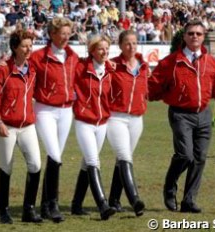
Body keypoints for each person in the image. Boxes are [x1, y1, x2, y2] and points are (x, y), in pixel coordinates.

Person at [148, 19, 215, 213]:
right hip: (180, 114)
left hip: (204, 114)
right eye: (191, 33)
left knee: (199, 158)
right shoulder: (171, 62)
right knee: (185, 155)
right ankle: (170, 185)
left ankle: (189, 201)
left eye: (198, 34)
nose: (194, 36)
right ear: (184, 36)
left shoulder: (211, 63)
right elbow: (153, 86)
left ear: (203, 37)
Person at [0, 29, 42, 224]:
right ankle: (4, 211)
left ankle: (29, 210)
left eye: (30, 45)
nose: (29, 49)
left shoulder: (33, 69)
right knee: (6, 168)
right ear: (15, 47)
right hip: (6, 126)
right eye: (24, 46)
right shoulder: (2, 71)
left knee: (36, 165)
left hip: (28, 126)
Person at [29, 17, 79, 223]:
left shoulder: (72, 55)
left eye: (69, 33)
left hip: (66, 111)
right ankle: (53, 204)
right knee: (55, 155)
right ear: (52, 34)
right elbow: (25, 73)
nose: (66, 37)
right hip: (45, 110)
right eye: (62, 33)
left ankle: (46, 204)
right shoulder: (38, 57)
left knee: (54, 158)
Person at [71, 35, 116, 220]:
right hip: (84, 122)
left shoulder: (110, 70)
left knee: (86, 163)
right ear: (91, 50)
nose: (104, 52)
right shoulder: (80, 67)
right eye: (100, 48)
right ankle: (103, 204)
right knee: (93, 162)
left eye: (106, 48)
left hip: (102, 123)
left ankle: (76, 204)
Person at [107, 30, 148, 217]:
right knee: (124, 156)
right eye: (127, 43)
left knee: (122, 159)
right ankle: (134, 199)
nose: (131, 47)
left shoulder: (144, 66)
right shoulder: (113, 65)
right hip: (116, 117)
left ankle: (114, 200)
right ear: (120, 45)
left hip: (136, 119)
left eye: (134, 43)